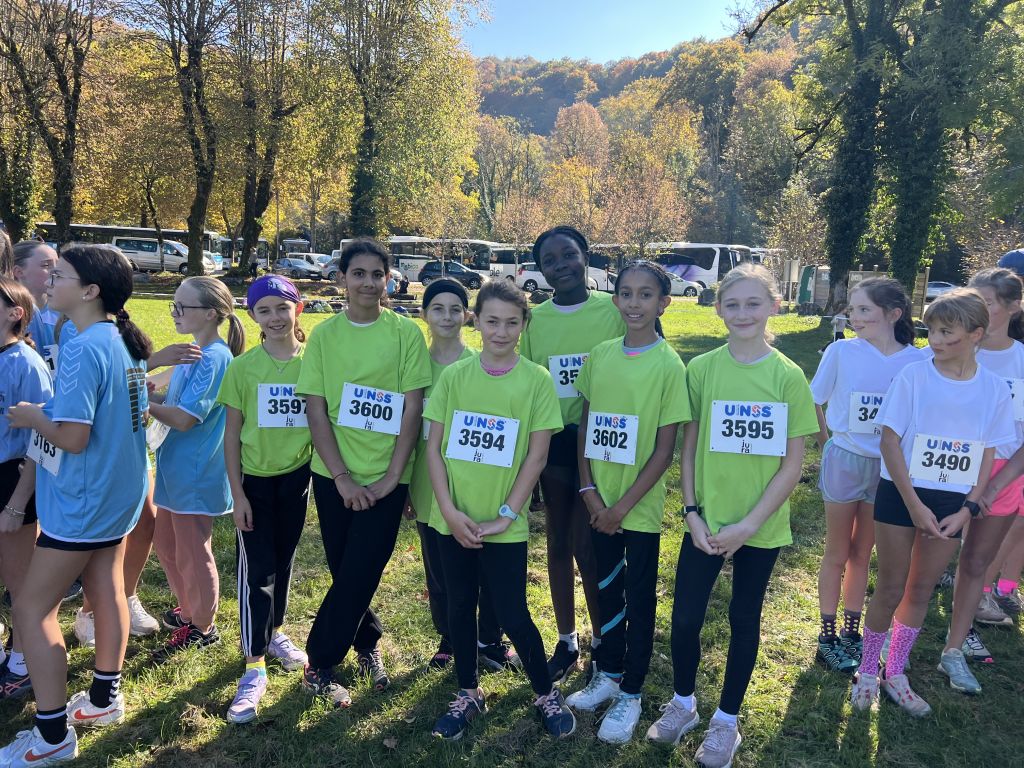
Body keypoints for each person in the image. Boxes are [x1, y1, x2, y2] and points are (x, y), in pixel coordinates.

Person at [647, 263, 817, 768]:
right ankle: (683, 704)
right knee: (684, 619)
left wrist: (749, 525)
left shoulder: (788, 377)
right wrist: (692, 513)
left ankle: (726, 721)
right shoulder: (702, 370)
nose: (743, 314)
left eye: (753, 304)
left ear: (774, 307)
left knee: (744, 619)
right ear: (718, 308)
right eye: (733, 304)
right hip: (705, 522)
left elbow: (792, 465)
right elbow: (689, 448)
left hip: (759, 527)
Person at [1, 244, 151, 766]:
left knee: (30, 608)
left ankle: (52, 736)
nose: (48, 282)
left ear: (90, 291)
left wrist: (31, 417)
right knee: (106, 587)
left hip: (85, 500)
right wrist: (50, 413)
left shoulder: (83, 345)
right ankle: (105, 699)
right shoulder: (119, 338)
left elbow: (73, 437)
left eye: (59, 275)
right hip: (118, 494)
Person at [850, 288, 1013, 716]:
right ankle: (867, 670)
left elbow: (988, 453)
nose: (935, 341)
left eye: (946, 332)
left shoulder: (994, 389)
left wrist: (969, 508)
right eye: (932, 331)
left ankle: (895, 672)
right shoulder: (914, 376)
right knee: (890, 585)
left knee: (920, 589)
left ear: (976, 334)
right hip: (901, 494)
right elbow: (889, 441)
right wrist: (913, 505)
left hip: (952, 503)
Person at [424, 279, 575, 741]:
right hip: (453, 520)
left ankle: (544, 691)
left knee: (512, 612)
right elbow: (433, 450)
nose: (501, 331)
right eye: (492, 321)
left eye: (511, 322)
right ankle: (469, 692)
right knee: (459, 607)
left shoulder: (536, 380)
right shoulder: (455, 377)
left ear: (524, 324)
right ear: (476, 321)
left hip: (504, 524)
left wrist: (507, 515)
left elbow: (536, 457)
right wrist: (448, 511)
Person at [296, 238, 430, 707]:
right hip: (333, 474)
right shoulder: (324, 336)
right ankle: (367, 641)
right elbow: (316, 410)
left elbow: (413, 408)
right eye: (359, 273)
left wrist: (393, 478)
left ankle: (319, 661)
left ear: (389, 280)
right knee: (345, 569)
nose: (369, 283)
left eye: (378, 274)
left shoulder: (406, 334)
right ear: (342, 279)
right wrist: (342, 478)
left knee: (363, 568)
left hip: (388, 476)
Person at [566, 261, 689, 744]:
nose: (634, 303)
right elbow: (585, 427)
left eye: (646, 294)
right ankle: (608, 672)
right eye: (626, 293)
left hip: (637, 511)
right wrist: (589, 492)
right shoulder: (600, 355)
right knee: (604, 590)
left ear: (664, 303)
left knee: (638, 597)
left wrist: (621, 507)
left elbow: (664, 450)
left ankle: (631, 692)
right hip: (598, 504)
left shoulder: (669, 366)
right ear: (615, 298)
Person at [519, 226, 625, 683]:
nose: (560, 265)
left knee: (590, 545)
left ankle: (603, 641)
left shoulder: (613, 311)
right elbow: (526, 385)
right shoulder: (535, 321)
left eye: (568, 254)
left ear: (585, 256)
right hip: (555, 442)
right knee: (559, 542)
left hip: (604, 440)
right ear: (540, 269)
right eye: (549, 260)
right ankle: (567, 641)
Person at [809, 278, 924, 673]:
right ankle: (827, 635)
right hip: (844, 460)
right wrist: (827, 443)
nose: (854, 318)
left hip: (888, 470)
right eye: (852, 310)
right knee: (837, 551)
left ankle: (851, 630)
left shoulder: (916, 362)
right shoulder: (841, 351)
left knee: (863, 552)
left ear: (893, 314)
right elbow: (814, 400)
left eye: (864, 310)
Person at [405, 278, 518, 673]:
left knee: (487, 569)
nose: (447, 316)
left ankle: (490, 637)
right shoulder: (413, 366)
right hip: (427, 484)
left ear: (468, 316)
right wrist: (403, 484)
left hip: (479, 487)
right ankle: (450, 638)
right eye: (438, 308)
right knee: (439, 570)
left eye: (456, 309)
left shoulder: (481, 363)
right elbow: (407, 431)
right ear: (424, 314)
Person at [217, 275, 311, 723]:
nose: (275, 318)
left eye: (282, 308)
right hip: (254, 483)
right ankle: (253, 665)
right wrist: (237, 495)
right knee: (258, 571)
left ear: (299, 309)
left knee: (284, 560)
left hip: (298, 480)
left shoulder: (315, 362)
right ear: (252, 315)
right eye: (264, 310)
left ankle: (274, 632)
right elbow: (231, 435)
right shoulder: (243, 368)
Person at [937, 269, 1024, 691]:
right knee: (926, 565)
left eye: (987, 302)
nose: (979, 310)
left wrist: (991, 487)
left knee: (975, 564)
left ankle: (956, 646)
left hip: (1005, 476)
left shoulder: (1022, 360)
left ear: (1012, 307)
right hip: (946, 469)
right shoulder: (947, 352)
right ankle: (896, 646)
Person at [149, 277, 244, 661]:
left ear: (209, 313)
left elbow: (186, 418)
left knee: (191, 549)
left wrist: (142, 404)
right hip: (174, 467)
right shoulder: (194, 352)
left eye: (182, 307)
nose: (175, 313)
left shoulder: (215, 358)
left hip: (196, 472)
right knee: (167, 544)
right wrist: (156, 395)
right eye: (173, 305)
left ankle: (203, 627)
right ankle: (189, 609)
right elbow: (177, 400)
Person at [0, 277, 53, 701]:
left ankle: (22, 661)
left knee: (20, 580)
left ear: (15, 313)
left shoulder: (27, 363)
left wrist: (18, 501)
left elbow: (44, 436)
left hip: (12, 478)